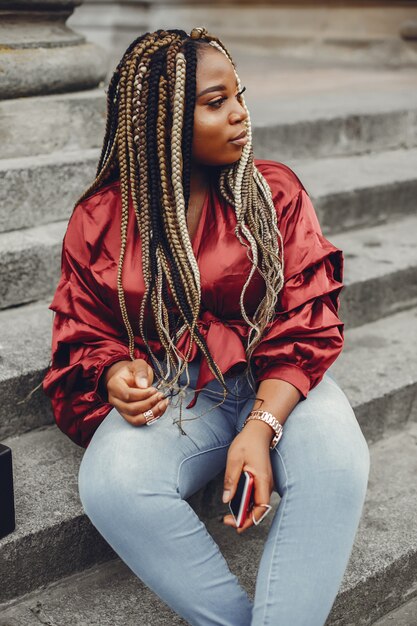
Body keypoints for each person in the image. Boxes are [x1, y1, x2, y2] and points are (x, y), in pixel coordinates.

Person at [42, 27, 370, 626]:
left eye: (239, 94)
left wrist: (261, 427)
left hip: (279, 380)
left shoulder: (273, 193)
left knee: (337, 465)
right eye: (216, 103)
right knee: (114, 483)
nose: (242, 114)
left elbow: (306, 319)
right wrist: (116, 370)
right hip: (176, 395)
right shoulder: (102, 217)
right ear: (161, 123)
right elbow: (82, 327)